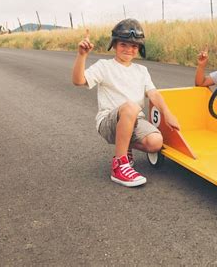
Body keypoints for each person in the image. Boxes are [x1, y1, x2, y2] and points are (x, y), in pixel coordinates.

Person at [72, 18, 180, 187]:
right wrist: (82, 55)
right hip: (109, 122)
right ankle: (119, 165)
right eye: (124, 44)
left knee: (155, 143)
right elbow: (78, 80)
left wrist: (168, 114)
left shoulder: (141, 71)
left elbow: (154, 94)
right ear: (114, 44)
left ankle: (125, 146)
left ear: (139, 49)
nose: (129, 49)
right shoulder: (104, 66)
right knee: (131, 106)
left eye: (134, 46)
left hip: (133, 121)